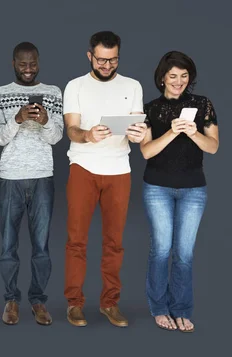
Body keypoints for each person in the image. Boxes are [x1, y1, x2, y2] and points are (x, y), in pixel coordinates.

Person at [62, 31, 148, 328]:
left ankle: (110, 303)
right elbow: (71, 129)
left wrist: (138, 134)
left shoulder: (133, 86)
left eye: (113, 60)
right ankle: (74, 304)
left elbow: (137, 127)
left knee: (114, 242)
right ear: (90, 56)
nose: (107, 65)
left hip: (119, 170)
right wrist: (86, 135)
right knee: (76, 241)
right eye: (101, 59)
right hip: (83, 167)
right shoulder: (75, 86)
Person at [140, 51, 219, 333]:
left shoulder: (202, 104)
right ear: (162, 78)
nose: (178, 82)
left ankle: (182, 309)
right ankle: (159, 308)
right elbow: (147, 150)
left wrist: (193, 132)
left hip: (193, 189)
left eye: (184, 76)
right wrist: (172, 132)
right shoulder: (149, 108)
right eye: (173, 76)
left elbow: (213, 147)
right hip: (157, 188)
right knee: (161, 250)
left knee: (184, 253)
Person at [0, 41, 63, 326]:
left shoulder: (53, 93)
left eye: (33, 64)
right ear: (13, 63)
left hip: (43, 175)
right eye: (23, 64)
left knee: (41, 246)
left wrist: (44, 121)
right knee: (8, 245)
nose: (29, 69)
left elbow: (56, 138)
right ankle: (11, 300)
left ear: (39, 62)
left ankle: (38, 301)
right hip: (11, 177)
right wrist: (18, 118)